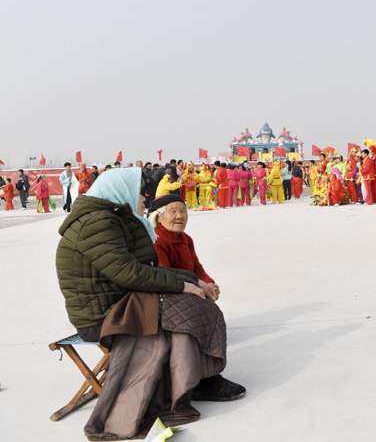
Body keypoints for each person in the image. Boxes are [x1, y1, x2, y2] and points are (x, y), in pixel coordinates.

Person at [55, 168, 244, 438]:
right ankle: (191, 383)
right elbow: (130, 273)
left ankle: (198, 378)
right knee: (186, 311)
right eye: (140, 191)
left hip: (121, 302)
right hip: (102, 317)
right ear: (120, 191)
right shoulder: (97, 223)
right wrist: (183, 285)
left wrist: (194, 281)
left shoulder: (111, 219)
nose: (144, 197)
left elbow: (144, 268)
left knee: (193, 303)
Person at [150, 195, 220, 301]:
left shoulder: (186, 239)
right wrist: (200, 285)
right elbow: (166, 277)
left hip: (191, 290)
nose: (180, 216)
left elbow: (196, 267)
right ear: (158, 217)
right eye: (173, 211)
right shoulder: (157, 240)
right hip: (172, 296)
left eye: (183, 211)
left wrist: (209, 283)